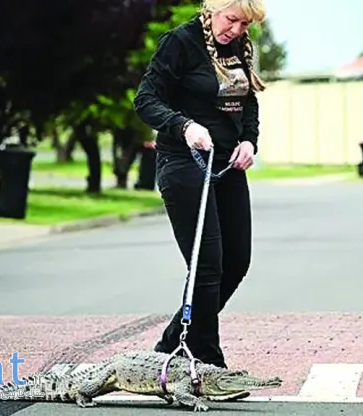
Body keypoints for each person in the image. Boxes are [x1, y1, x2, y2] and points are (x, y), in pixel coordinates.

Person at [133, 0, 266, 371]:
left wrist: (249, 141)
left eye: (244, 25)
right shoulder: (181, 42)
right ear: (213, 10)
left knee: (237, 261)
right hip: (183, 162)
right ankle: (208, 361)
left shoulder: (239, 47)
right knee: (207, 264)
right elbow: (145, 100)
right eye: (232, 20)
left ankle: (171, 344)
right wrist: (184, 126)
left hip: (228, 165)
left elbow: (248, 102)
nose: (237, 30)